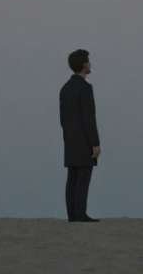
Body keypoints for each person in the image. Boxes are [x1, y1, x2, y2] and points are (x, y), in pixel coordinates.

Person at [60, 49, 101, 222]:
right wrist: (95, 143)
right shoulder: (85, 88)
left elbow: (63, 119)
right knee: (83, 178)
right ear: (84, 65)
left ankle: (72, 214)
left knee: (72, 178)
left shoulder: (65, 88)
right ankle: (80, 214)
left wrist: (67, 137)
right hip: (84, 140)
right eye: (88, 61)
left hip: (69, 139)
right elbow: (89, 118)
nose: (90, 64)